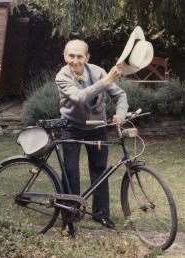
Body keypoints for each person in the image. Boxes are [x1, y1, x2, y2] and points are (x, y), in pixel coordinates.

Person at [55, 39, 129, 230]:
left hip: (97, 127)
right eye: (71, 56)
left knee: (100, 169)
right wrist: (106, 81)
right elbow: (80, 97)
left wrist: (120, 114)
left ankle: (101, 214)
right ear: (65, 56)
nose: (75, 60)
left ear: (87, 57)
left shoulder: (97, 72)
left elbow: (120, 95)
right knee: (70, 171)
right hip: (71, 127)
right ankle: (69, 217)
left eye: (80, 56)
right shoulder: (62, 76)